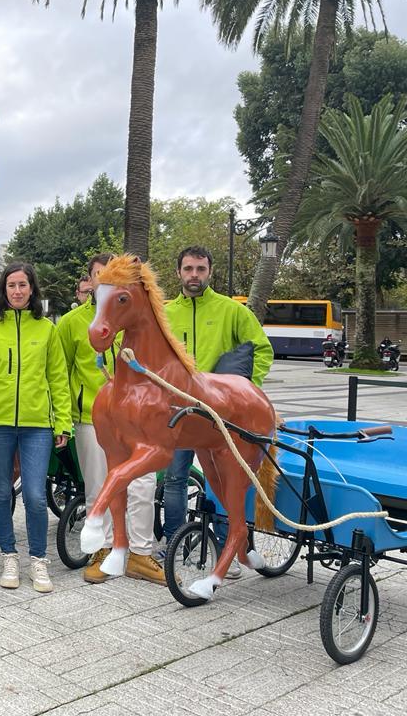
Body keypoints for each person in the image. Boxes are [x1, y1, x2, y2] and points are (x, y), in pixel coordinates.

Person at [162, 246, 274, 575]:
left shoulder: (231, 311)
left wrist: (245, 392)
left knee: (229, 484)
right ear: (178, 272)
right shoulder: (166, 313)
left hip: (225, 417)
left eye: (200, 268)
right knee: (174, 479)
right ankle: (173, 542)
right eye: (188, 269)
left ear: (210, 272)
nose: (194, 275)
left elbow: (262, 349)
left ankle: (232, 545)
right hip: (181, 413)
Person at [57, 254, 164, 585]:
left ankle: (141, 554)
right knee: (99, 484)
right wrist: (65, 417)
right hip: (93, 417)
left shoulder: (139, 318)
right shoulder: (72, 323)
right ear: (89, 282)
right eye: (97, 276)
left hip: (140, 419)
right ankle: (102, 550)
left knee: (144, 485)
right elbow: (60, 374)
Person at [0, 263, 71, 593]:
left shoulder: (47, 330)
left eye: (23, 285)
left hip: (37, 424)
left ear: (32, 289)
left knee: (37, 496)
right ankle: (8, 555)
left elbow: (58, 379)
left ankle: (38, 559)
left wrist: (63, 422)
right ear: (3, 290)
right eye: (11, 285)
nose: (17, 291)